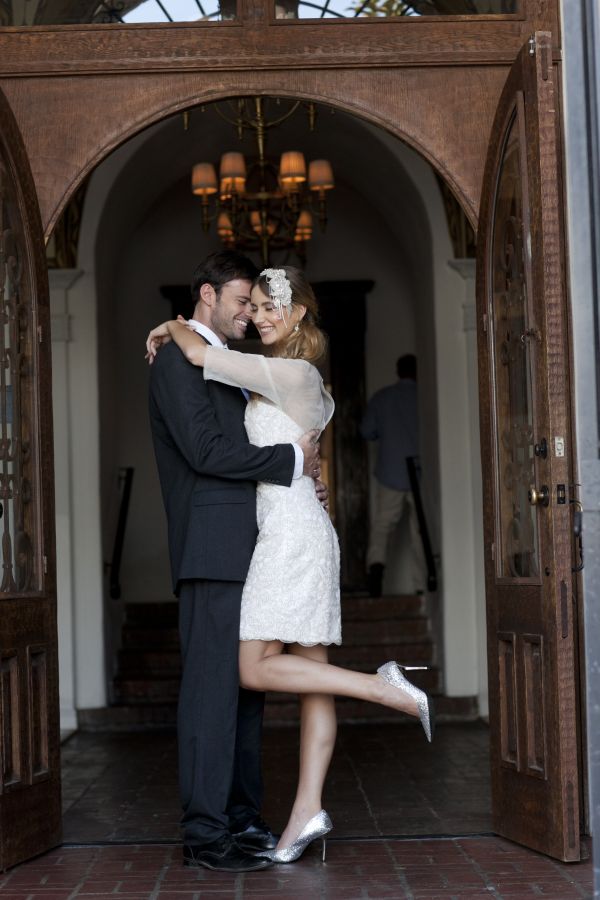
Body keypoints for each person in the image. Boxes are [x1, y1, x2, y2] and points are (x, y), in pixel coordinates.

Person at [147, 266, 435, 867]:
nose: (257, 314)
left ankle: (378, 693)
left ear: (300, 313)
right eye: (250, 304)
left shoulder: (288, 372)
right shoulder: (248, 367)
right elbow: (215, 434)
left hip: (286, 534)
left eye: (269, 305)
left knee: (253, 675)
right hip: (264, 532)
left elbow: (211, 359)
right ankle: (291, 813)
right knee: (286, 677)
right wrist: (303, 469)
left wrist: (173, 327)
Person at [148, 251, 323, 873]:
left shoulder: (218, 358)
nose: (250, 314)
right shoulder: (175, 359)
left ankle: (243, 818)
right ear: (207, 295)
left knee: (247, 693)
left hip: (254, 544)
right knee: (210, 695)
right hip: (210, 545)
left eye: (256, 304)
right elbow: (204, 450)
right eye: (241, 302)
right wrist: (289, 463)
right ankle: (204, 834)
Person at [360, 354, 425, 598]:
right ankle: (421, 586)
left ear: (398, 371)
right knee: (419, 531)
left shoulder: (382, 398)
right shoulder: (425, 397)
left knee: (382, 526)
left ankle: (376, 570)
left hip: (391, 470)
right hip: (420, 474)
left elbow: (366, 431)